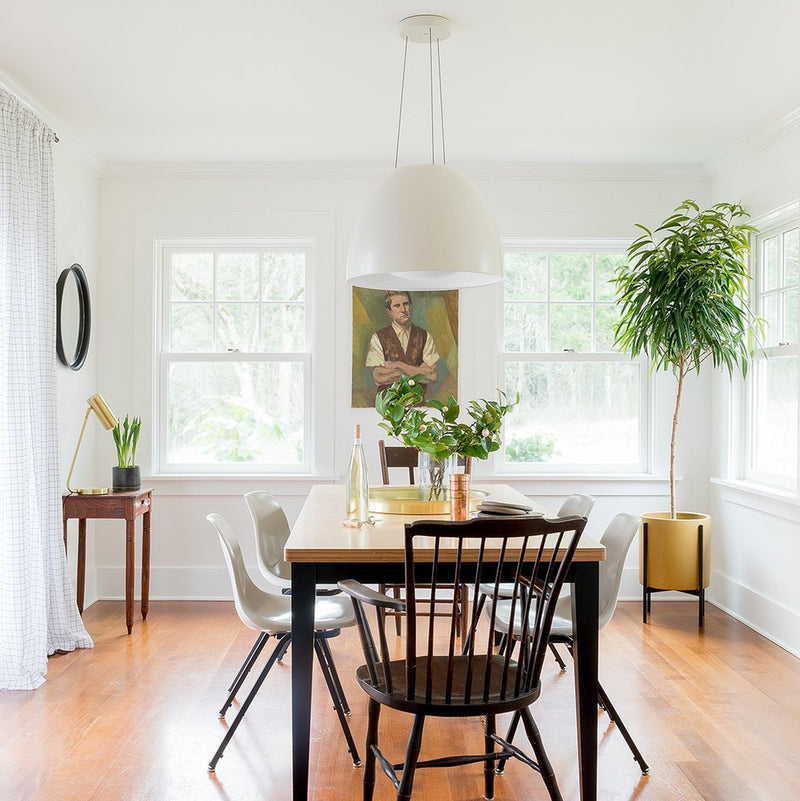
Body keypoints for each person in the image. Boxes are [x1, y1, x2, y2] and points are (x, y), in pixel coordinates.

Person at [366, 291, 439, 394]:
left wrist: (399, 366)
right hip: (388, 402)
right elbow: (379, 377)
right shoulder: (378, 337)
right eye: (397, 306)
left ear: (411, 307)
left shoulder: (424, 336)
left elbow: (432, 375)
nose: (403, 310)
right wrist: (419, 372)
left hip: (417, 401)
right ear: (389, 312)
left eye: (406, 304)